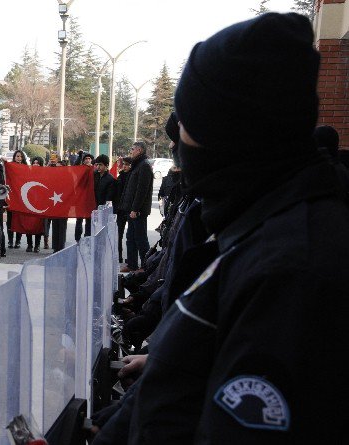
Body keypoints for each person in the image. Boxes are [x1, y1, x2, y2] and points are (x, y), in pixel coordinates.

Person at [112, 13, 349, 444]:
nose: (179, 144)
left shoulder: (292, 266)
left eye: (186, 125)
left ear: (224, 129)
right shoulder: (256, 223)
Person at [119, 142, 153, 272]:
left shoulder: (144, 166)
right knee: (130, 238)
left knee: (141, 239)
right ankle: (132, 264)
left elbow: (141, 190)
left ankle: (146, 266)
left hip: (137, 211)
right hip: (131, 209)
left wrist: (135, 209)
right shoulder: (137, 165)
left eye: (132, 149)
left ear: (139, 150)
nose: (131, 151)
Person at [6, 149, 27, 249]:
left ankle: (18, 241)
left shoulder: (26, 168)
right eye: (17, 156)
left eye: (20, 156)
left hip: (22, 198)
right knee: (10, 220)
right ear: (14, 157)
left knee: (19, 220)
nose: (19, 158)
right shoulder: (11, 167)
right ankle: (10, 240)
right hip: (12, 197)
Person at [113, 157, 133, 263]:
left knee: (131, 236)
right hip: (120, 210)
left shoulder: (133, 176)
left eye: (127, 164)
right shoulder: (120, 177)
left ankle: (131, 259)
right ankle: (118, 256)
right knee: (118, 235)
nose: (125, 166)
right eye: (124, 164)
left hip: (130, 209)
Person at [74, 153, 95, 242]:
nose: (87, 160)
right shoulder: (80, 169)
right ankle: (78, 239)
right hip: (80, 198)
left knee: (89, 220)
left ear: (91, 160)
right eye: (86, 158)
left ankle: (87, 238)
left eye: (89, 158)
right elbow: (74, 167)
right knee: (79, 220)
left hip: (89, 198)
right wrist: (79, 157)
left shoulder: (94, 169)